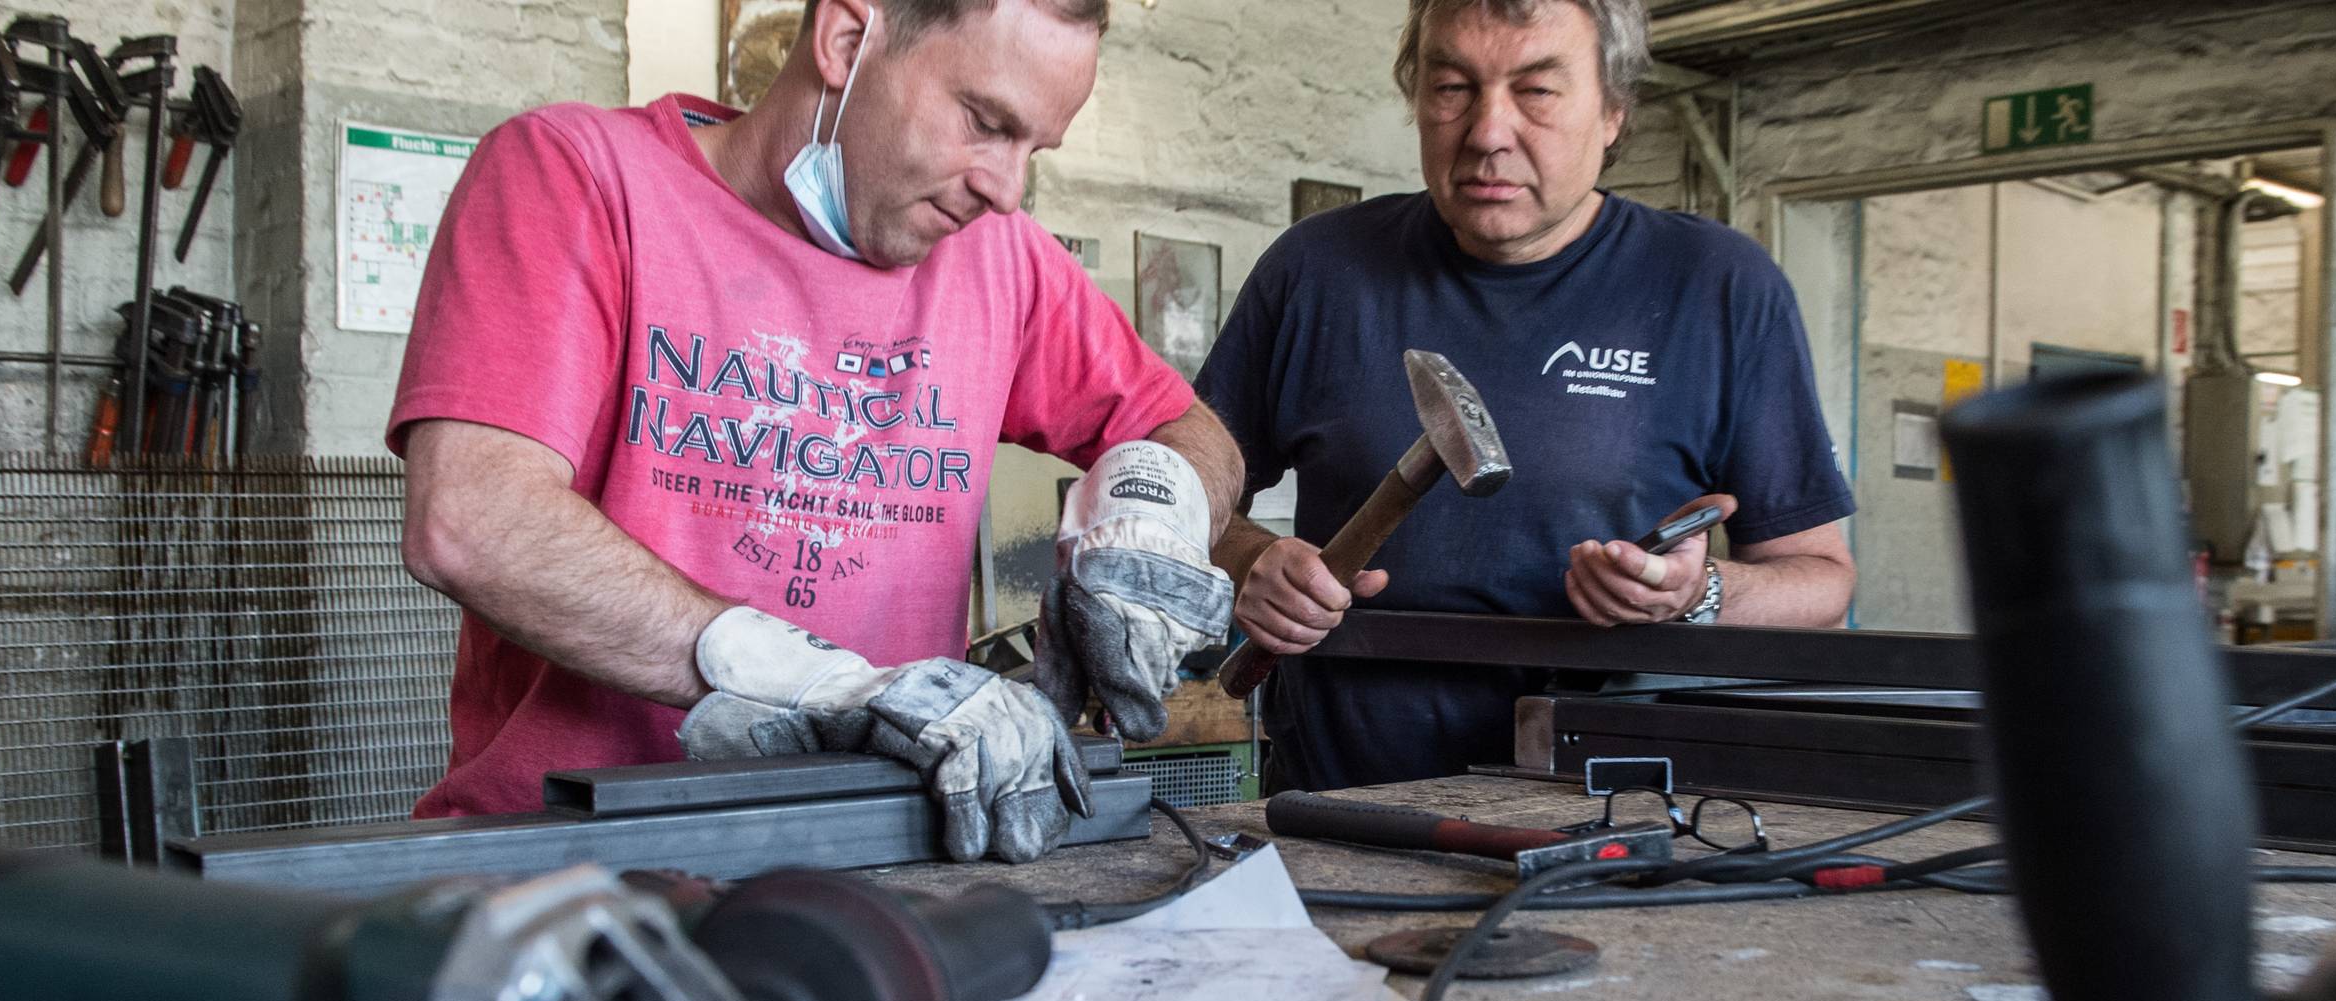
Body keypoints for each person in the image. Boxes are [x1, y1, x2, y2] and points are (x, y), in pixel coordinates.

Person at [389, 0, 1240, 862]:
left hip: (877, 859)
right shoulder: (578, 176)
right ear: (844, 40)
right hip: (570, 869)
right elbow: (473, 519)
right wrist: (827, 688)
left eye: (1034, 150)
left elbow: (1187, 429)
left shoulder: (1003, 263)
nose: (1006, 188)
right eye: (985, 123)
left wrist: (1149, 519)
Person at [1197, 0, 1857, 794]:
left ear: (1614, 110)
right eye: (1451, 88)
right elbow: (1190, 495)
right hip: (1341, 800)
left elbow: (1821, 581)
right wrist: (1250, 561)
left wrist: (1697, 592)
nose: (1486, 132)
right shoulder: (1319, 271)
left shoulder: (1718, 287)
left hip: (1616, 808)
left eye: (1537, 91)